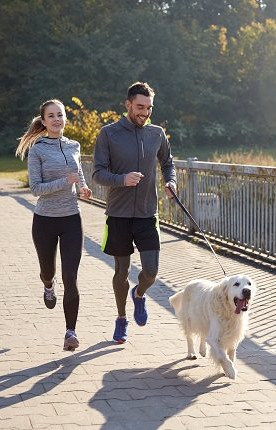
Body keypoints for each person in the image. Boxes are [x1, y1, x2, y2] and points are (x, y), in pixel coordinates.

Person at [92, 82, 177, 344]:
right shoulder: (109, 134)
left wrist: (170, 180)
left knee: (151, 271)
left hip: (147, 213)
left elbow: (168, 163)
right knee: (121, 271)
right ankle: (121, 319)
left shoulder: (156, 133)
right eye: (140, 107)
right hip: (118, 214)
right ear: (127, 104)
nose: (144, 112)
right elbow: (97, 174)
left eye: (149, 108)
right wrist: (122, 179)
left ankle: (139, 294)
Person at [16, 99, 92, 351]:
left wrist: (82, 187)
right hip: (45, 221)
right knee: (48, 271)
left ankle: (70, 332)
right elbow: (36, 189)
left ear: (64, 119)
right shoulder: (37, 149)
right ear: (44, 121)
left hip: (71, 218)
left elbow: (77, 172)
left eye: (60, 115)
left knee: (71, 276)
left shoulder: (74, 145)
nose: (57, 119)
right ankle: (48, 285)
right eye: (51, 116)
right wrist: (64, 181)